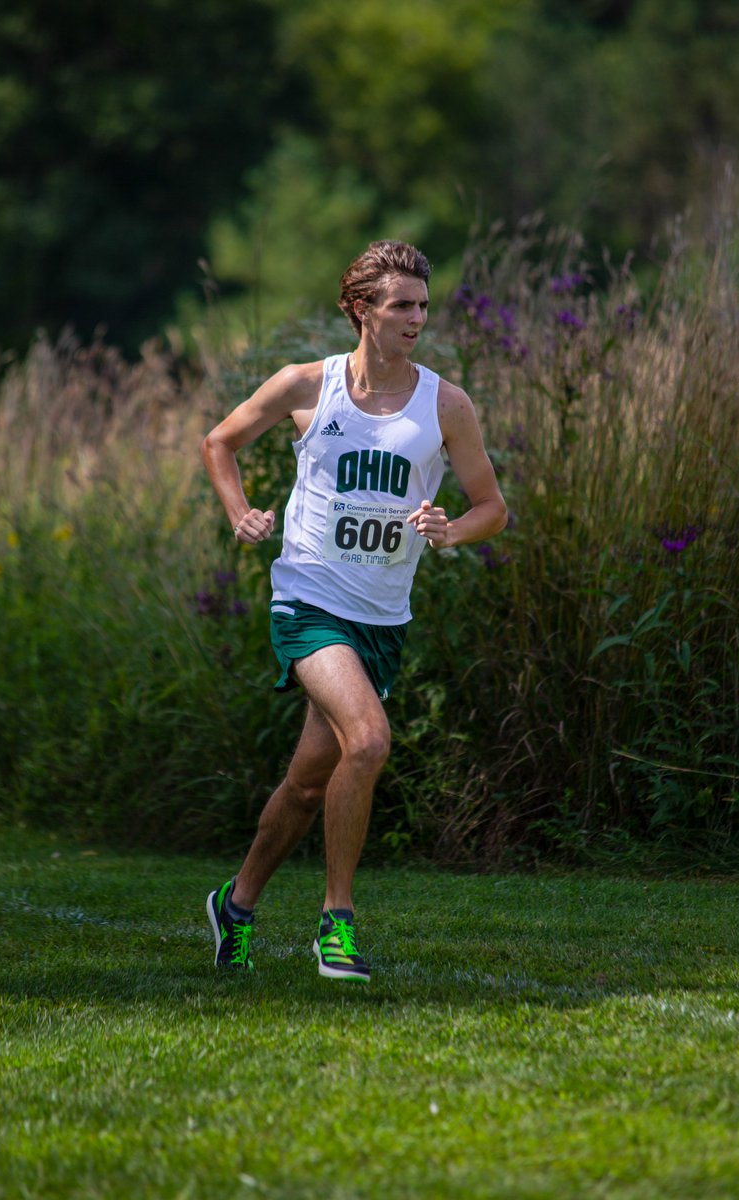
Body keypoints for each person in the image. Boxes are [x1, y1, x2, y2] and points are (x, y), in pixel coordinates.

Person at [202, 240, 507, 983]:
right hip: (308, 600)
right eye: (402, 305)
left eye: (424, 305)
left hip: (381, 620)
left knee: (312, 782)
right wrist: (240, 513)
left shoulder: (446, 404)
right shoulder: (308, 386)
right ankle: (335, 926)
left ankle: (234, 907)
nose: (417, 318)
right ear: (360, 309)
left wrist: (449, 531)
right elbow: (220, 442)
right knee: (368, 740)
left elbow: (492, 507)